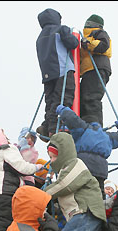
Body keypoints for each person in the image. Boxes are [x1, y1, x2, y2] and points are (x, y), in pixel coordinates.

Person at [56, 104, 118, 198]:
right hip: (101, 170)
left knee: (79, 193)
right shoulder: (107, 137)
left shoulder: (83, 129)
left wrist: (61, 109)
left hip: (82, 165)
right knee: (98, 194)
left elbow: (71, 118)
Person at [36, 8, 79, 140]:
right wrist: (73, 35)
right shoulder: (61, 29)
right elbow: (73, 43)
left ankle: (48, 126)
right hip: (62, 69)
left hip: (47, 74)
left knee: (50, 101)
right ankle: (56, 128)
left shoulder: (40, 37)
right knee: (63, 98)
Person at [80, 14, 111, 126]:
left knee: (91, 97)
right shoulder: (86, 38)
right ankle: (85, 122)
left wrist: (88, 44)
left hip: (97, 67)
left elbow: (103, 45)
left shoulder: (98, 33)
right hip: (89, 70)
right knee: (83, 97)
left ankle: (93, 125)